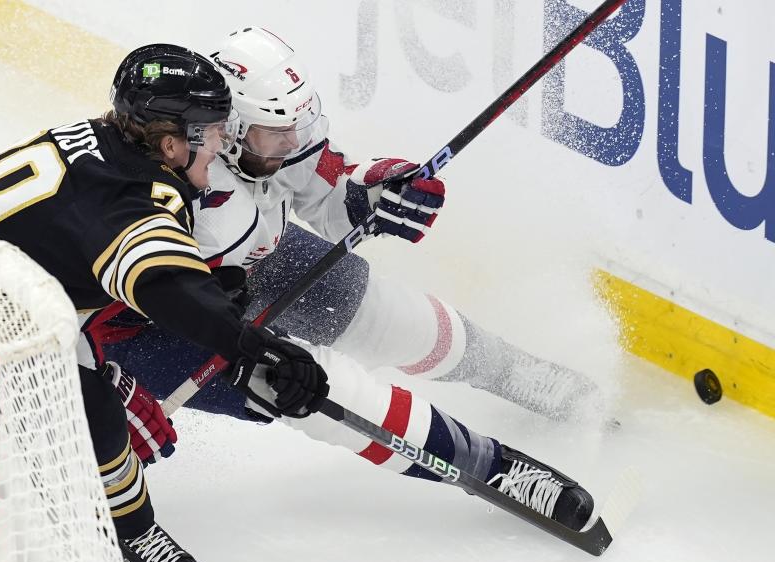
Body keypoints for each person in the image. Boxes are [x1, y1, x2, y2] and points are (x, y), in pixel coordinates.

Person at [87, 34, 598, 536]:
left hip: (260, 262)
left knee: (399, 319)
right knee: (325, 393)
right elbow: (81, 294)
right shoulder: (161, 190)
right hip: (160, 328)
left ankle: (514, 372)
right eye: (277, 133)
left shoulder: (266, 140)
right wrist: (106, 385)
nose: (294, 143)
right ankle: (494, 468)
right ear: (229, 129)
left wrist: (383, 187)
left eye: (300, 126)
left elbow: (331, 181)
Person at [0, 43, 332, 562]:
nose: (222, 143)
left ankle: (58, 480)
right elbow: (161, 280)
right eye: (215, 131)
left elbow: (73, 255)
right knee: (88, 411)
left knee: (81, 383)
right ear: (172, 141)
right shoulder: (139, 197)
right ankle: (98, 532)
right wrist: (250, 344)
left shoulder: (97, 137)